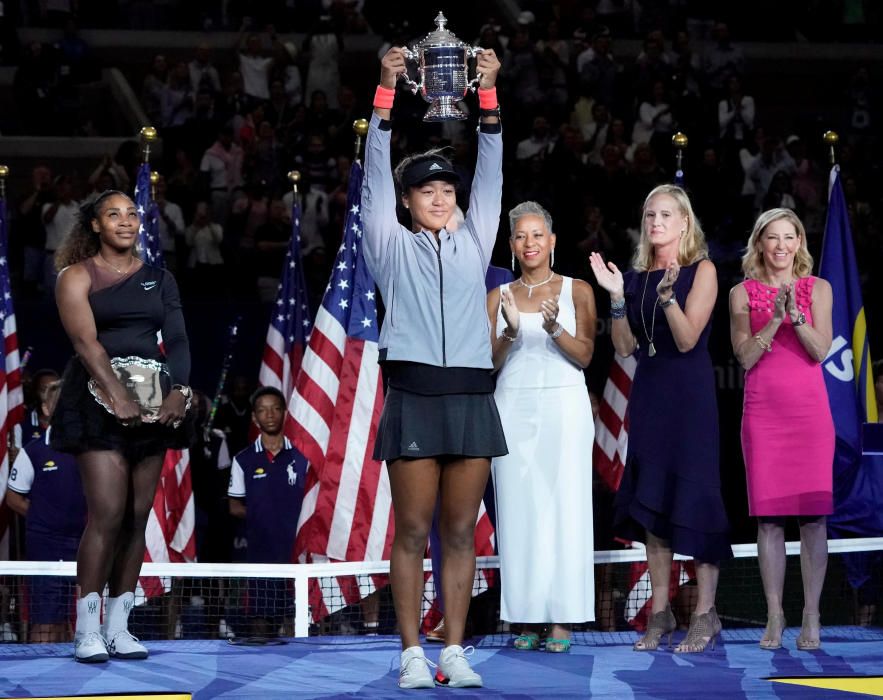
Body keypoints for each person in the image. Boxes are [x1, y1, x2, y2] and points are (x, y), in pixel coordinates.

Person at [362, 46, 504, 689]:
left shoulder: (477, 239)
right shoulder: (389, 245)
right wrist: (387, 91)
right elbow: (373, 177)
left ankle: (453, 649)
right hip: (415, 392)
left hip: (472, 395)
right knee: (413, 531)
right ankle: (412, 653)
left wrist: (490, 95)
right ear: (408, 199)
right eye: (427, 190)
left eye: (449, 189)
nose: (440, 197)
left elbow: (494, 172)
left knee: (460, 533)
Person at [49, 190, 192, 662]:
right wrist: (115, 395)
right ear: (95, 225)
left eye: (132, 214)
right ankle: (86, 630)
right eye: (114, 215)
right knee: (108, 513)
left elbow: (176, 336)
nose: (125, 221)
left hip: (154, 406)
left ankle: (118, 627)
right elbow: (86, 343)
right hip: (95, 402)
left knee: (136, 516)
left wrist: (180, 390)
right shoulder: (76, 276)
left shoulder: (159, 278)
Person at [589, 184, 731, 654]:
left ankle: (706, 614)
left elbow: (689, 339)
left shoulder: (702, 270)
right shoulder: (635, 277)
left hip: (689, 401)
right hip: (649, 397)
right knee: (652, 507)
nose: (656, 223)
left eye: (666, 215)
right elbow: (626, 346)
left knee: (696, 500)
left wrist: (669, 297)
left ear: (684, 223)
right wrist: (614, 297)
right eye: (650, 215)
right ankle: (662, 612)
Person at [488, 201, 597, 653]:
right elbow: (487, 364)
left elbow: (586, 354)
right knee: (519, 513)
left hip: (565, 410)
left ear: (552, 241)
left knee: (565, 511)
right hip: (512, 409)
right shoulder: (498, 297)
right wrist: (511, 331)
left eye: (537, 235)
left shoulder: (577, 290)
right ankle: (525, 617)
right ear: (512, 245)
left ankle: (562, 619)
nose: (529, 243)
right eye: (520, 236)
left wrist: (554, 329)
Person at [728, 208, 834, 650]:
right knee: (768, 521)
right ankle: (775, 614)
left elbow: (821, 351)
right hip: (763, 416)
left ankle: (811, 615)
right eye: (772, 238)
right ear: (760, 244)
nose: (781, 246)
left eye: (788, 237)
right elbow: (746, 358)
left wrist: (796, 315)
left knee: (812, 521)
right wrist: (772, 318)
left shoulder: (819, 288)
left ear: (799, 243)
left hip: (809, 416)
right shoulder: (740, 293)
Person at [6, 379, 87, 643]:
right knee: (45, 621)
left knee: (75, 623)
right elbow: (13, 497)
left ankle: (68, 681)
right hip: (46, 548)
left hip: (84, 545)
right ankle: (39, 677)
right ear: (46, 408)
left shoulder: (90, 451)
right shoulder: (34, 452)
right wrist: (44, 519)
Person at [227, 387, 307, 637]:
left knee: (299, 619)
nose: (269, 415)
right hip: (260, 553)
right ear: (254, 417)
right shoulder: (243, 460)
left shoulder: (304, 456)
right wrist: (264, 517)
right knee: (261, 621)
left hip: (298, 552)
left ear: (285, 413)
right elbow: (234, 506)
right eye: (262, 410)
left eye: (275, 408)